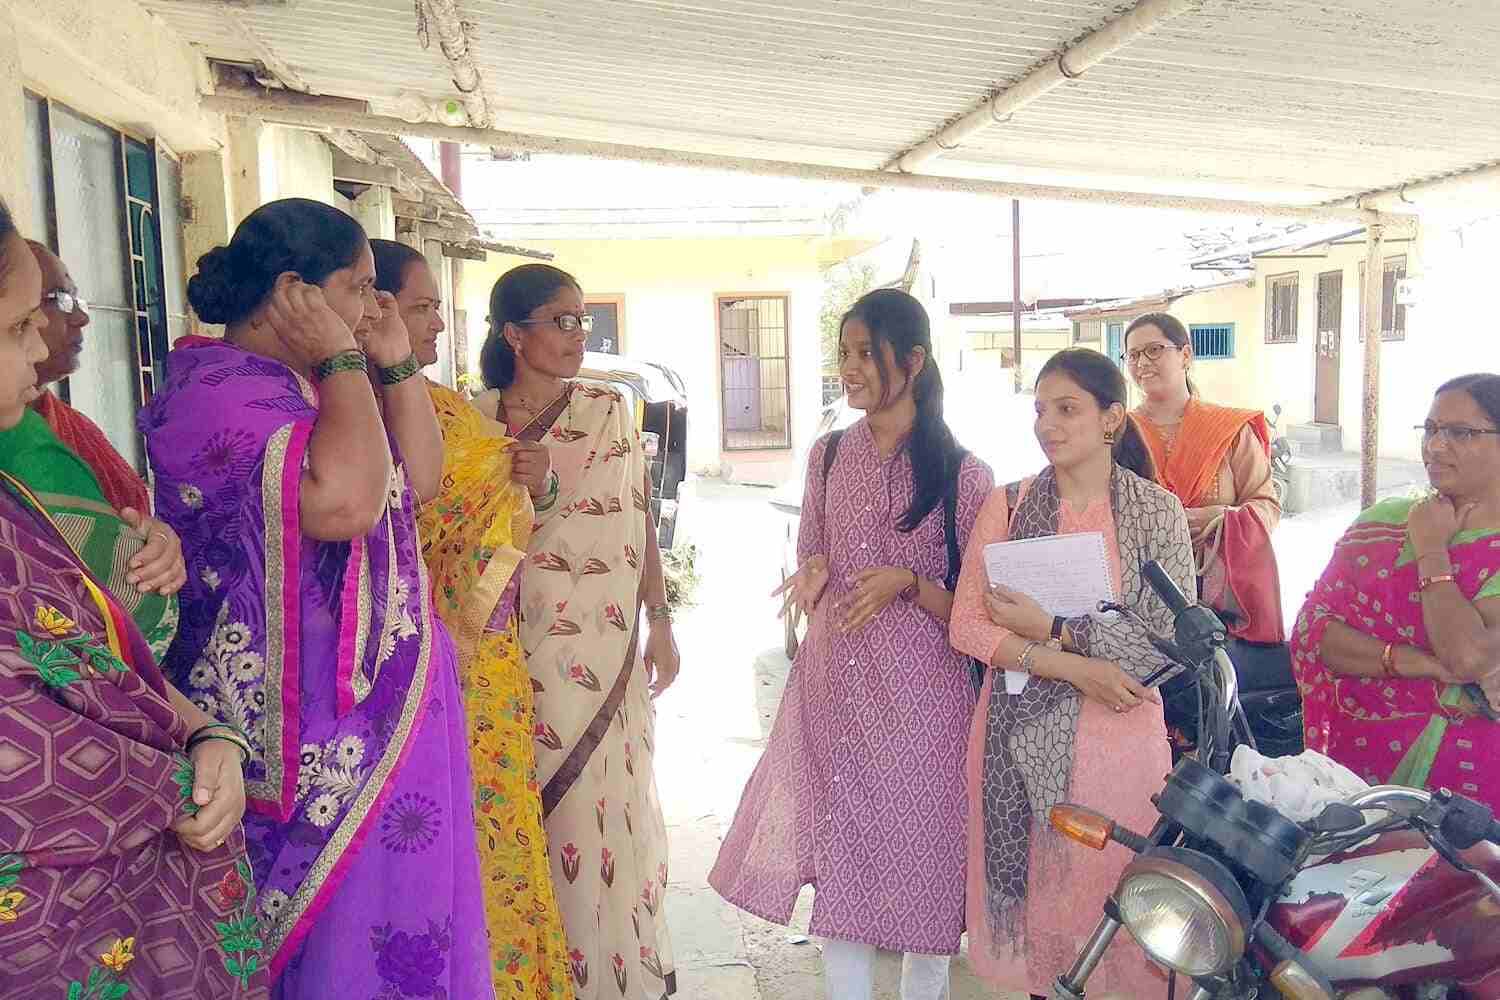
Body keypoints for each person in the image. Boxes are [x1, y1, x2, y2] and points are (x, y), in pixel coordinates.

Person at [140, 199, 494, 999]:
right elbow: (345, 507)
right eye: (361, 287)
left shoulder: (312, 386)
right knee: (334, 947)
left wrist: (390, 360)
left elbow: (420, 480)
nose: (374, 307)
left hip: (380, 702)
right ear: (295, 290)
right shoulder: (221, 392)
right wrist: (340, 362)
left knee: (405, 917)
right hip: (307, 732)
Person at [0, 199, 264, 997]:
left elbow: (87, 644)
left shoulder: (21, 482)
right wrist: (184, 774)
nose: (46, 339)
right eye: (19, 326)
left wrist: (209, 735)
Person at [711, 289, 993, 1000]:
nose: (851, 368)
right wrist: (810, 575)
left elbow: (979, 611)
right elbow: (814, 550)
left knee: (924, 877)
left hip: (925, 706)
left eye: (867, 353)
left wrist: (907, 581)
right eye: (845, 353)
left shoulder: (965, 476)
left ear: (915, 360)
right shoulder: (829, 455)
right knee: (845, 876)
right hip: (835, 692)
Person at [950, 348, 1194, 997]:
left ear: (1112, 418)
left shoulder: (1157, 512)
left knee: (1122, 912)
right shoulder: (1008, 505)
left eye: (1067, 409)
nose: (1047, 425)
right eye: (1040, 410)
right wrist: (1070, 666)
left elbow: (1168, 642)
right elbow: (967, 626)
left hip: (1122, 746)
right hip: (1020, 745)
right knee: (1047, 941)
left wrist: (1054, 627)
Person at [373, 239, 574, 1000]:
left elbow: (506, 504)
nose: (434, 326)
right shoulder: (370, 406)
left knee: (502, 837)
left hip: (488, 661)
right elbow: (417, 508)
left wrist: (531, 485)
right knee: (452, 842)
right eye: (422, 307)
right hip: (424, 661)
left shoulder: (440, 404)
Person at [473, 263, 678, 1000]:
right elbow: (452, 542)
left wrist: (660, 622)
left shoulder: (610, 410)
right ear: (514, 334)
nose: (577, 336)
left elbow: (637, 524)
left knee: (598, 821)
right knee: (524, 818)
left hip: (602, 652)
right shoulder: (472, 420)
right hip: (505, 655)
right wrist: (519, 485)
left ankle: (607, 977)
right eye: (561, 321)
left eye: (582, 320)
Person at [1292, 374, 1500, 809]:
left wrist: (1430, 547)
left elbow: (1467, 655)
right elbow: (1316, 633)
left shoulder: (1425, 533)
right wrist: (1424, 665)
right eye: (1431, 430)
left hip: (1477, 790)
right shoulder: (1379, 525)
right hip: (1363, 775)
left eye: (1461, 433)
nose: (1436, 447)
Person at [0, 240, 186, 658]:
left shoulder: (64, 426)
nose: (82, 318)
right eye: (59, 300)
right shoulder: (23, 441)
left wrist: (154, 542)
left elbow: (125, 524)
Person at [1125, 312, 1283, 643]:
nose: (1142, 363)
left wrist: (1222, 518)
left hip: (1222, 605)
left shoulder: (1229, 431)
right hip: (1144, 595)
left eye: (1154, 350)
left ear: (1185, 356)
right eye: (1134, 354)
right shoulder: (1119, 434)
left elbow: (1266, 506)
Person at [26, 239, 153, 515]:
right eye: (60, 298)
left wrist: (158, 537)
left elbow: (132, 514)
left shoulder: (73, 426)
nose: (82, 318)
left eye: (74, 298)